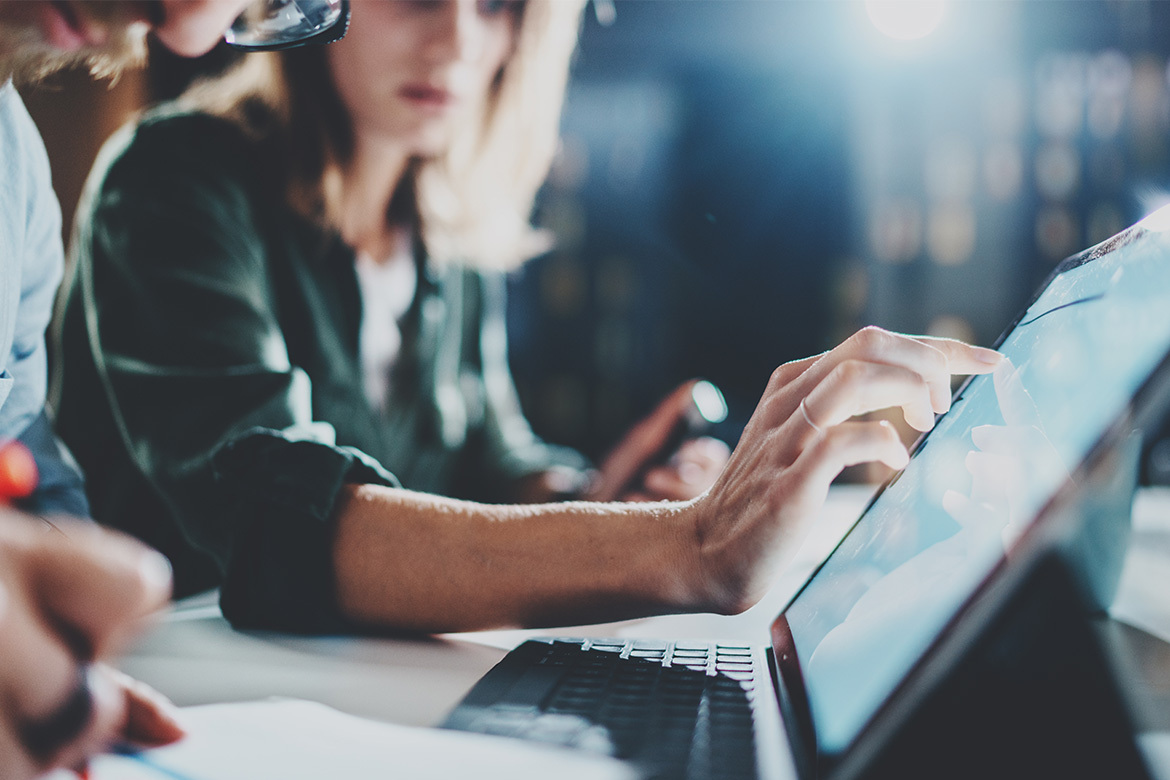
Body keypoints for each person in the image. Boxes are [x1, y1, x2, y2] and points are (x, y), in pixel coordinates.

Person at [56, 0, 1003, 639]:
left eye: (499, 3)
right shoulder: (172, 179)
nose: (461, 42)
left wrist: (607, 496)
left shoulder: (441, 237)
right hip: (171, 702)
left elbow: (489, 461)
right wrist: (687, 543)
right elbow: (270, 518)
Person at [0, 2, 352, 777]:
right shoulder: (173, 177)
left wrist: (60, 649)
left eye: (246, 5)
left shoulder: (14, 168)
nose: (188, 25)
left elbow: (22, 452)